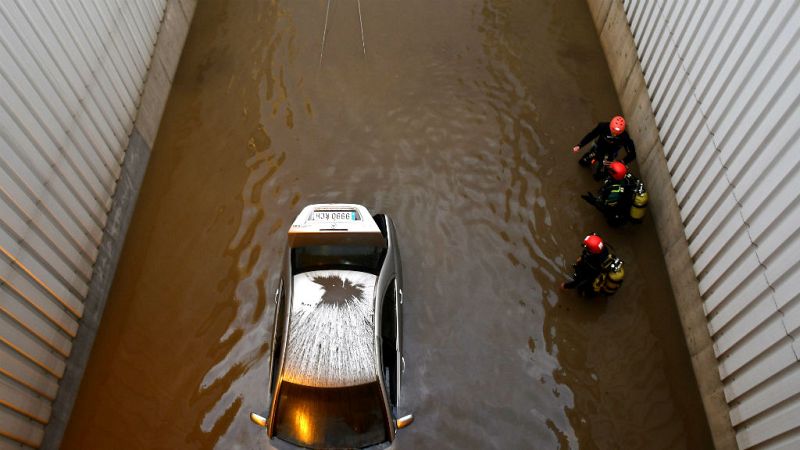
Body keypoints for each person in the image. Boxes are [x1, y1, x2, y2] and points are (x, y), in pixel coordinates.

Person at [572, 115, 636, 180]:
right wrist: (580, 145)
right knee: (583, 162)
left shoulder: (625, 137)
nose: (614, 134)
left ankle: (598, 175)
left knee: (600, 173)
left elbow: (632, 154)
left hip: (609, 155)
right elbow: (591, 135)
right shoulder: (603, 126)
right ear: (610, 126)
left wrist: (621, 162)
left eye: (617, 133)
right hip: (598, 148)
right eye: (613, 131)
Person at [581, 161, 631, 226]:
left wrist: (593, 202)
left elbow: (606, 209)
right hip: (619, 199)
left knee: (610, 220)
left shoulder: (614, 194)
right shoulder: (621, 177)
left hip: (617, 214)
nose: (608, 170)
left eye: (610, 170)